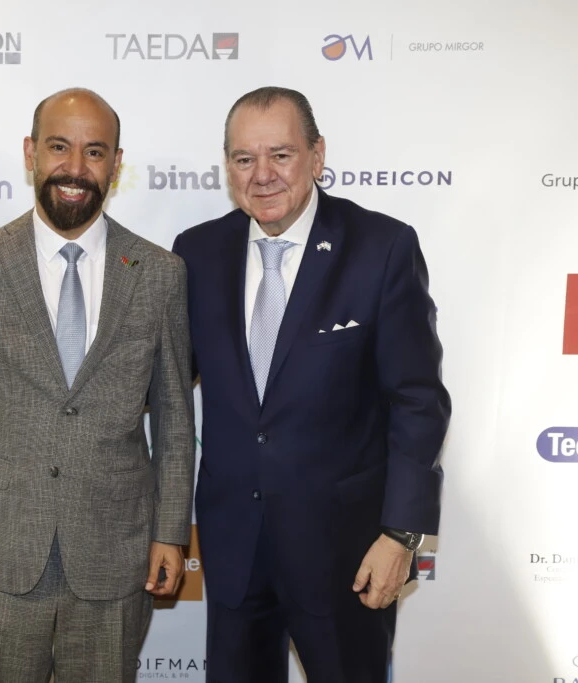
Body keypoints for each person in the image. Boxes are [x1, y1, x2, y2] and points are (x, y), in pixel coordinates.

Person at [0, 88, 195, 682]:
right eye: (59, 147)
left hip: (115, 555)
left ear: (116, 164)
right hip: (0, 549)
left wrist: (171, 532)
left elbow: (175, 417)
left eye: (94, 151)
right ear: (31, 153)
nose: (75, 168)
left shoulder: (159, 274)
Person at [171, 86, 451, 682]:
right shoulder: (197, 252)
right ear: (228, 167)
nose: (262, 174)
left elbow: (418, 400)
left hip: (346, 552)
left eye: (281, 154)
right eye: (244, 158)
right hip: (234, 546)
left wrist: (401, 534)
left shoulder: (381, 247)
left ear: (317, 156)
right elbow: (169, 380)